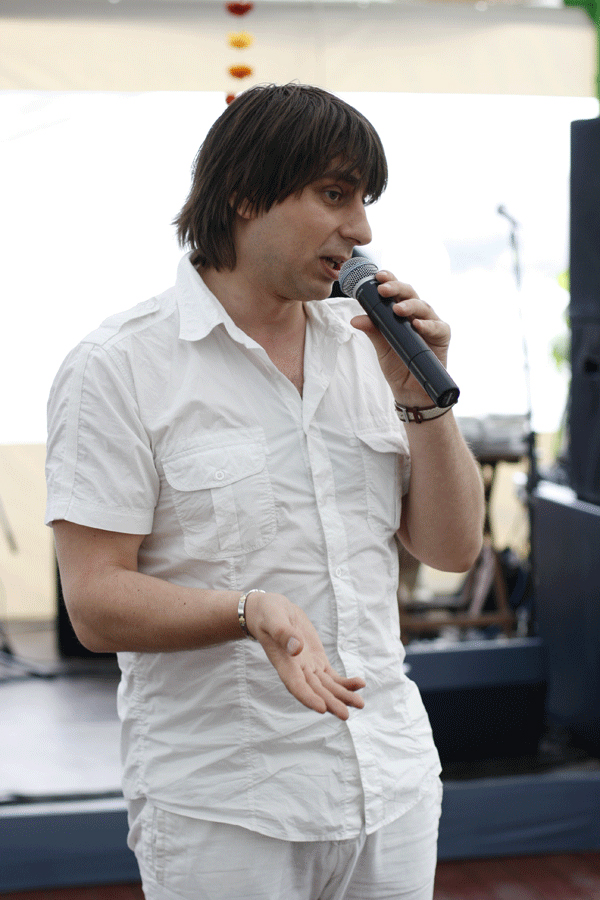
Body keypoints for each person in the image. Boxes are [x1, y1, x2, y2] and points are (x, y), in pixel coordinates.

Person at [45, 83, 484, 900]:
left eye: (365, 200)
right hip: (227, 809)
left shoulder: (368, 347)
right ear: (246, 193)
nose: (362, 230)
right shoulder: (118, 366)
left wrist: (424, 398)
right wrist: (250, 611)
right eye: (334, 195)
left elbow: (453, 550)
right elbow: (95, 603)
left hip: (391, 785)